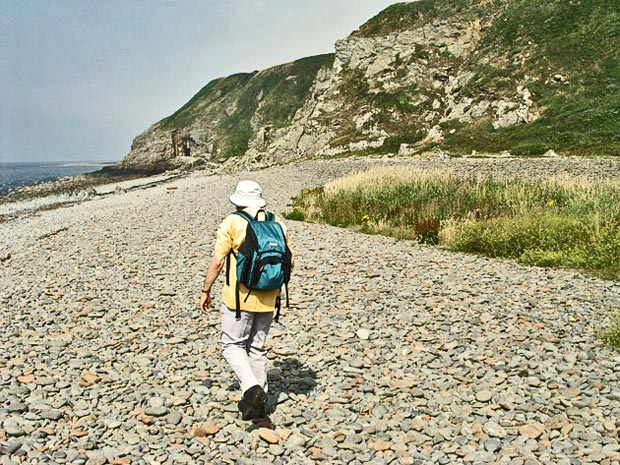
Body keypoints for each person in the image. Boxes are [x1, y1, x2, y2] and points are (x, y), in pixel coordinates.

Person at [199, 180, 292, 422]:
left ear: (238, 201)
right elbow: (289, 262)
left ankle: (251, 389)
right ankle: (259, 402)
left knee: (232, 345)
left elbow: (218, 262)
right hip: (270, 295)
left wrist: (205, 290)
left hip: (239, 297)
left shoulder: (233, 222)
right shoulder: (277, 222)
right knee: (257, 347)